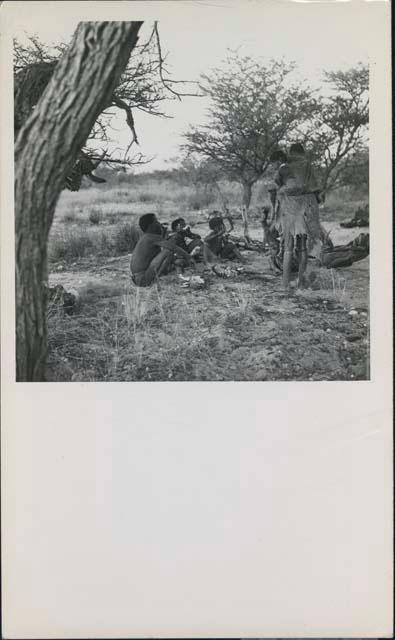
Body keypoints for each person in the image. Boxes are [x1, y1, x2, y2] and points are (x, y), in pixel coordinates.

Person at [274, 143, 322, 292]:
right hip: (304, 209)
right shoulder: (307, 164)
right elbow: (315, 189)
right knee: (302, 247)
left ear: (291, 152)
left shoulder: (284, 166)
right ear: (302, 152)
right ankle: (301, 282)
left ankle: (284, 284)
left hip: (288, 209)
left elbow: (277, 183)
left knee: (287, 248)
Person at [130, 213, 195, 287]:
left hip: (137, 278)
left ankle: (160, 274)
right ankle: (157, 279)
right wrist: (189, 257)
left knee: (169, 255)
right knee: (168, 251)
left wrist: (163, 232)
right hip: (143, 279)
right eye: (156, 222)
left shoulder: (145, 237)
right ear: (151, 226)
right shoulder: (151, 237)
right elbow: (172, 247)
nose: (159, 223)